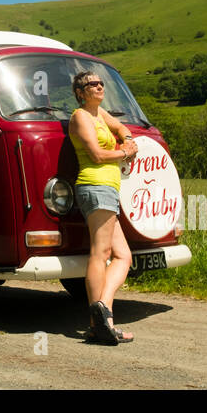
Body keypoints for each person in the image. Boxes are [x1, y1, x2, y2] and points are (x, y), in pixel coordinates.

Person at [68, 70, 138, 344]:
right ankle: (99, 322)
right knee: (101, 253)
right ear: (80, 92)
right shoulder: (81, 117)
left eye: (100, 82)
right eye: (91, 84)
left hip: (108, 190)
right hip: (95, 188)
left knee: (123, 256)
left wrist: (127, 136)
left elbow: (119, 127)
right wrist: (125, 152)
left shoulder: (100, 114)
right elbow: (96, 155)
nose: (98, 86)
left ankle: (102, 313)